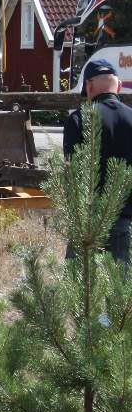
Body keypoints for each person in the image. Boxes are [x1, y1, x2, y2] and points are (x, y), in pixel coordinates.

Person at [63, 58, 132, 262]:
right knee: (119, 287)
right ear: (118, 86)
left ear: (89, 86)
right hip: (124, 221)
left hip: (86, 223)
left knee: (78, 286)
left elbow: (72, 172)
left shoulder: (78, 119)